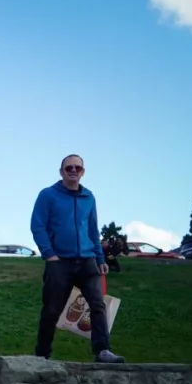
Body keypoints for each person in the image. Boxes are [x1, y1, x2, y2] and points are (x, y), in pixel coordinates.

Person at [30, 154, 125, 363]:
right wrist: (49, 254)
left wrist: (100, 259)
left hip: (87, 261)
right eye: (69, 168)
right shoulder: (47, 195)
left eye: (78, 168)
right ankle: (41, 355)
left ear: (83, 172)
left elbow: (92, 230)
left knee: (98, 305)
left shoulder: (89, 197)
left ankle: (102, 351)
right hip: (59, 262)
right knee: (51, 309)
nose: (73, 171)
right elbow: (37, 225)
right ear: (61, 171)